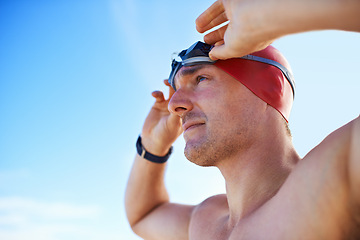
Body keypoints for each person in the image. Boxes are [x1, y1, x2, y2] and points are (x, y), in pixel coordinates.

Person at [125, 0, 360, 239]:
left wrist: (276, 13)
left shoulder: (329, 181)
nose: (175, 105)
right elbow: (143, 215)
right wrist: (153, 146)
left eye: (201, 79)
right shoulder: (206, 221)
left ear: (271, 88)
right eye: (175, 90)